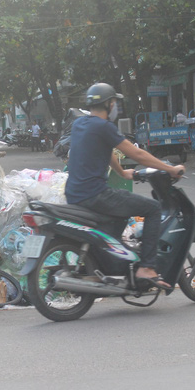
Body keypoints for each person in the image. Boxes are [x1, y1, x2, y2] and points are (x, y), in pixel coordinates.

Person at [64, 83, 185, 289]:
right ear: (109, 104)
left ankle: (113, 267)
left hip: (74, 193)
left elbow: (106, 149)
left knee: (119, 216)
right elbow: (137, 154)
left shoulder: (80, 124)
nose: (115, 108)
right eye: (114, 103)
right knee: (153, 208)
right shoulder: (104, 127)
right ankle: (147, 267)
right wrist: (170, 169)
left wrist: (121, 172)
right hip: (95, 194)